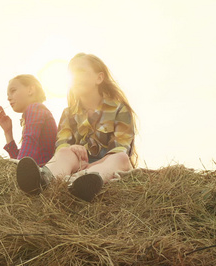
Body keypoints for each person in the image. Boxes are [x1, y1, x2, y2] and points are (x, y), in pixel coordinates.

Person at [16, 53, 137, 201]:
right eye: (71, 73)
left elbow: (121, 147)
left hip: (106, 167)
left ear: (99, 78)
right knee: (65, 153)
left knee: (121, 158)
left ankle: (82, 183)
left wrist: (93, 167)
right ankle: (43, 180)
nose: (75, 77)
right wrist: (72, 149)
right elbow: (61, 143)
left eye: (81, 71)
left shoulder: (119, 109)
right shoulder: (68, 114)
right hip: (77, 167)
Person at [0, 74, 57, 166]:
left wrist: (18, 170)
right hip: (38, 171)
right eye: (8, 95)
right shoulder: (32, 112)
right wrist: (8, 132)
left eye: (13, 91)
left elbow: (30, 141)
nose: (8, 98)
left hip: (45, 171)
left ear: (30, 90)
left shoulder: (35, 108)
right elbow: (19, 158)